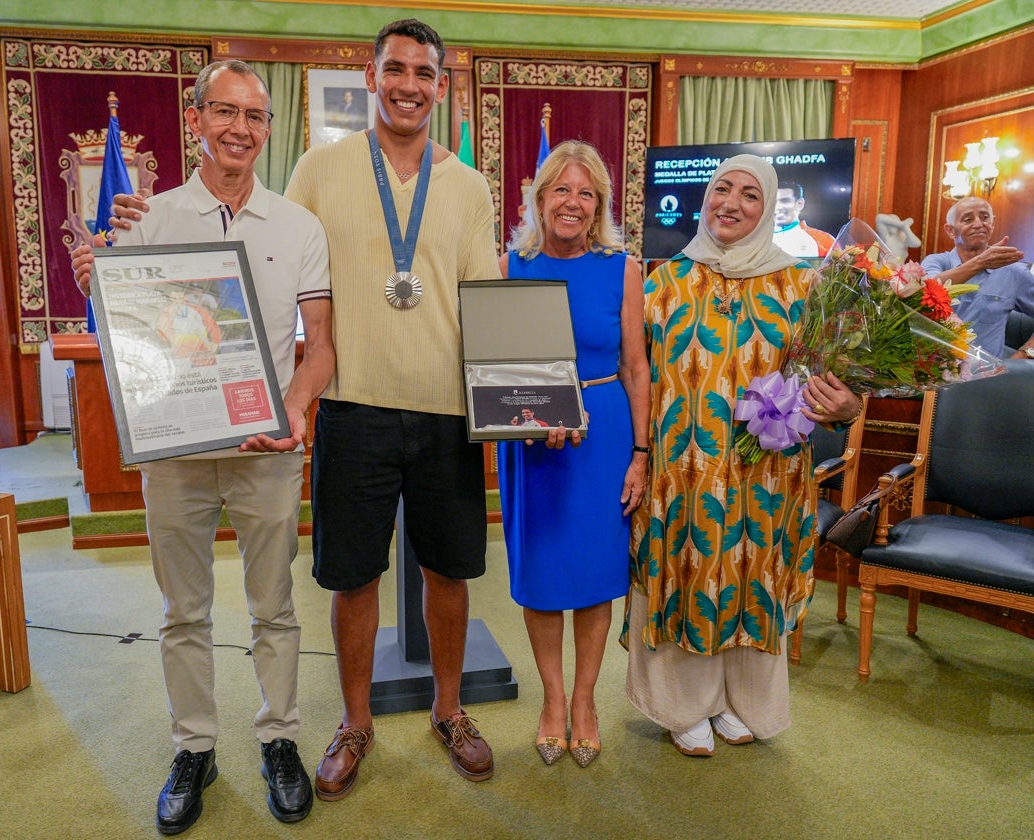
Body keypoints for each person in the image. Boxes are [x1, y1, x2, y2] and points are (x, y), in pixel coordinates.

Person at [70, 60, 333, 832]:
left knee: (275, 607)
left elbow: (320, 346)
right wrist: (96, 276)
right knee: (182, 610)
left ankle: (278, 738)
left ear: (268, 130)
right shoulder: (144, 220)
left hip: (268, 449)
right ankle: (196, 747)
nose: (239, 130)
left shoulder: (299, 225)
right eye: (225, 112)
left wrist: (293, 404)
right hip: (177, 451)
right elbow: (128, 336)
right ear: (196, 120)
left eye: (254, 117)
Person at [285, 18, 499, 799]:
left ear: (441, 87)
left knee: (449, 572)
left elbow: (485, 305)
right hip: (352, 407)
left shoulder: (470, 186)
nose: (410, 84)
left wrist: (522, 393)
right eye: (396, 69)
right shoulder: (319, 169)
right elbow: (280, 272)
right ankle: (355, 721)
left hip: (447, 413)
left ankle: (450, 710)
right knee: (353, 577)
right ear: (370, 77)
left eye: (425, 73)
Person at [623, 154, 860, 758]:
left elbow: (838, 381)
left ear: (769, 207)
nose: (730, 202)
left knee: (752, 573)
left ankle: (742, 702)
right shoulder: (662, 281)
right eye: (721, 188)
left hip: (767, 472)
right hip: (682, 468)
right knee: (688, 567)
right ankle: (684, 706)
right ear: (704, 200)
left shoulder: (801, 284)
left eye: (750, 194)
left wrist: (845, 406)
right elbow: (631, 371)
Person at [496, 140, 650, 768]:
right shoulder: (511, 265)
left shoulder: (624, 267)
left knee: (592, 576)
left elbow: (636, 367)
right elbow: (498, 365)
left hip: (604, 430)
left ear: (600, 205)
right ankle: (551, 701)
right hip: (532, 443)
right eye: (562, 189)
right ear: (540, 196)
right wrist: (523, 417)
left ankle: (585, 702)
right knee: (541, 577)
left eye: (587, 193)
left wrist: (640, 453)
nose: (574, 203)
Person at [920, 196, 1034, 359]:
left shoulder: (1013, 272)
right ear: (950, 230)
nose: (979, 224)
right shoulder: (936, 261)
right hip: (932, 371)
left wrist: (1024, 355)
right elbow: (926, 292)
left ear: (993, 223)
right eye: (968, 219)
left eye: (985, 217)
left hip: (986, 378)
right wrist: (980, 262)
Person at [772, 180, 835, 259]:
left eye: (785, 201)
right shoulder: (757, 239)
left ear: (799, 204)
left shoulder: (824, 241)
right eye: (773, 202)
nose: (777, 207)